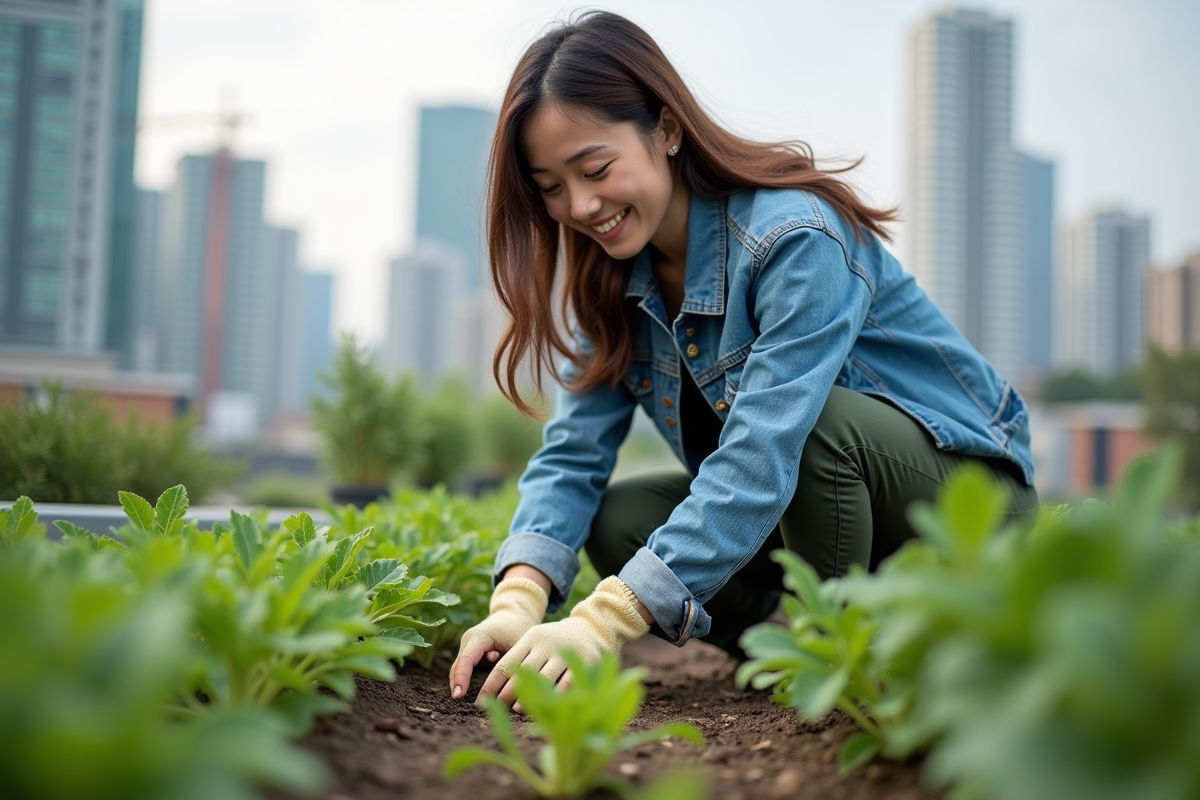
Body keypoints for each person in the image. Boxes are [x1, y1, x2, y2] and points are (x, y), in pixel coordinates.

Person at [448, 10, 1037, 708]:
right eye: (550, 187)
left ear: (666, 129)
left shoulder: (792, 238)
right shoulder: (610, 284)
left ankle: (840, 652)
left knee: (817, 424)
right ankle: (782, 640)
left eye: (596, 168)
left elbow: (763, 451)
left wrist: (600, 621)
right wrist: (520, 599)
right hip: (818, 509)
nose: (580, 205)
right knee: (618, 520)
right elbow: (572, 455)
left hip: (960, 502)